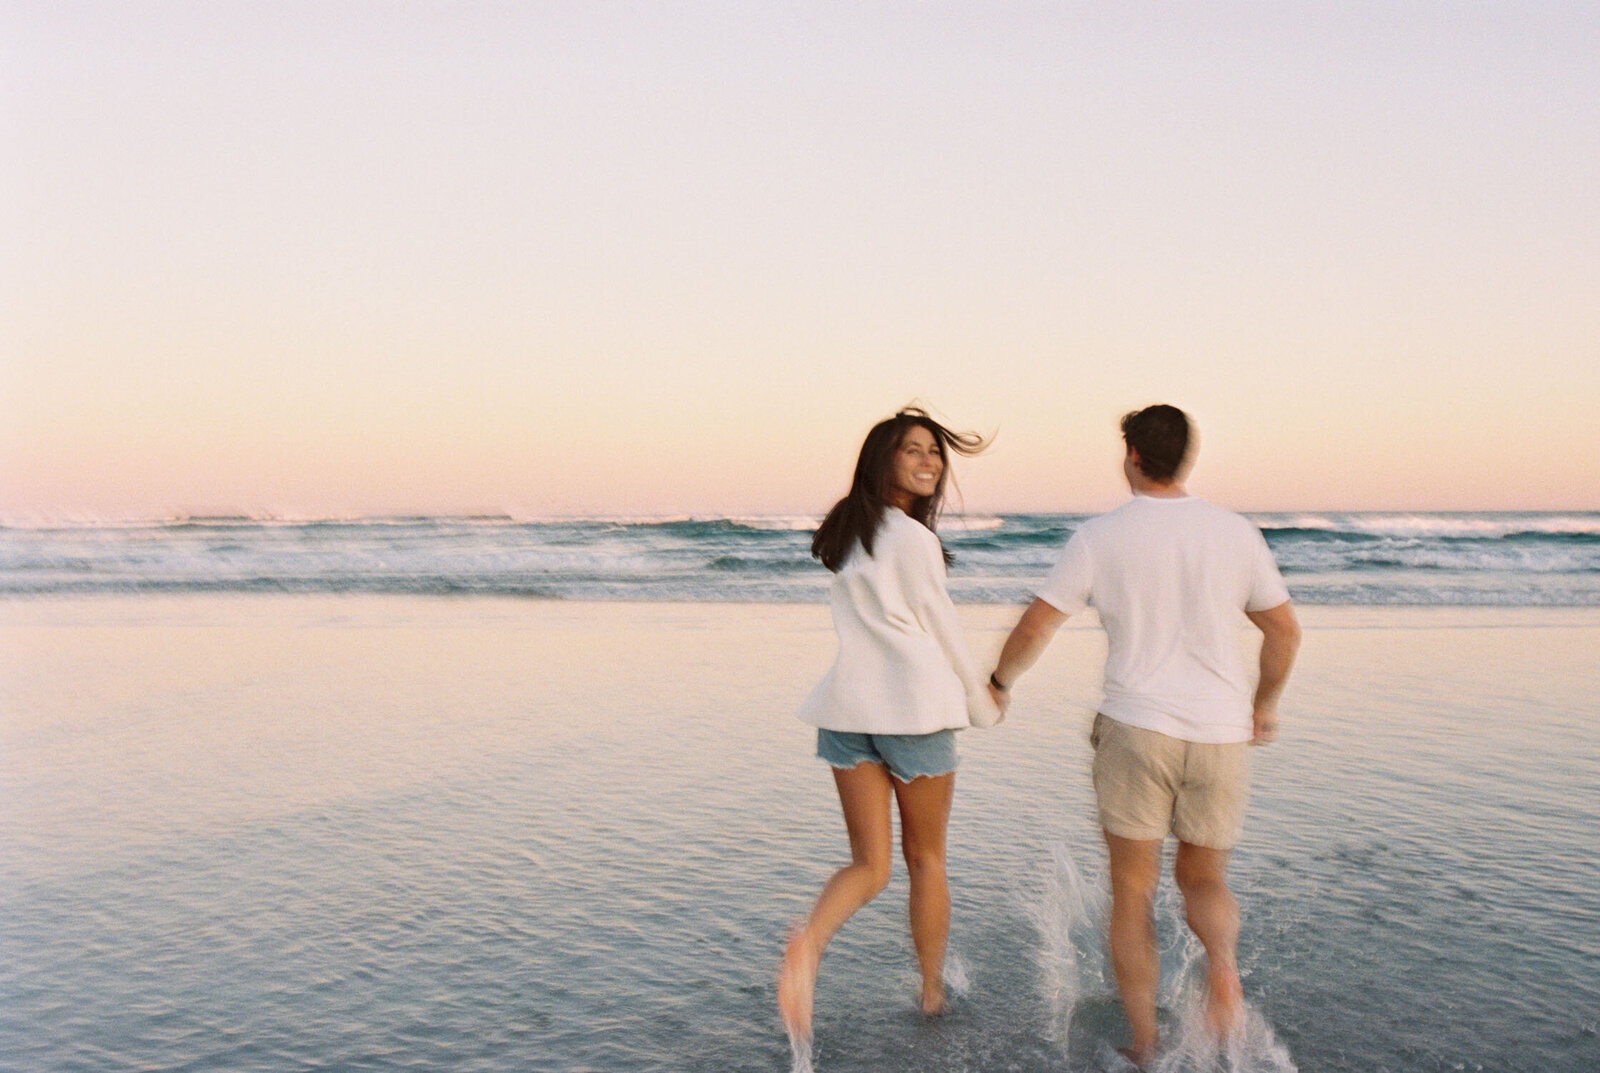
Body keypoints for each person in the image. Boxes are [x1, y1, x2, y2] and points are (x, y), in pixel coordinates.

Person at [987, 404, 1301, 1067]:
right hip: (1219, 733)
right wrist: (1263, 704)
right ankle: (1222, 967)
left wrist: (1000, 678)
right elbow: (1284, 630)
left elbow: (1039, 625)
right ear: (1187, 456)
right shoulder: (1234, 533)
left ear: (1131, 453)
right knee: (1205, 877)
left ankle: (1145, 1043)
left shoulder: (1102, 535)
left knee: (1132, 888)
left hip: (1137, 728)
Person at [777, 406, 1002, 1047]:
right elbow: (943, 629)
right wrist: (981, 701)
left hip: (847, 713)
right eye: (914, 451)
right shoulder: (912, 538)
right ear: (884, 459)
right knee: (926, 859)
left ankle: (809, 945)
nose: (930, 461)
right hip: (913, 714)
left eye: (935, 452)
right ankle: (931, 994)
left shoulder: (850, 533)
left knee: (869, 865)